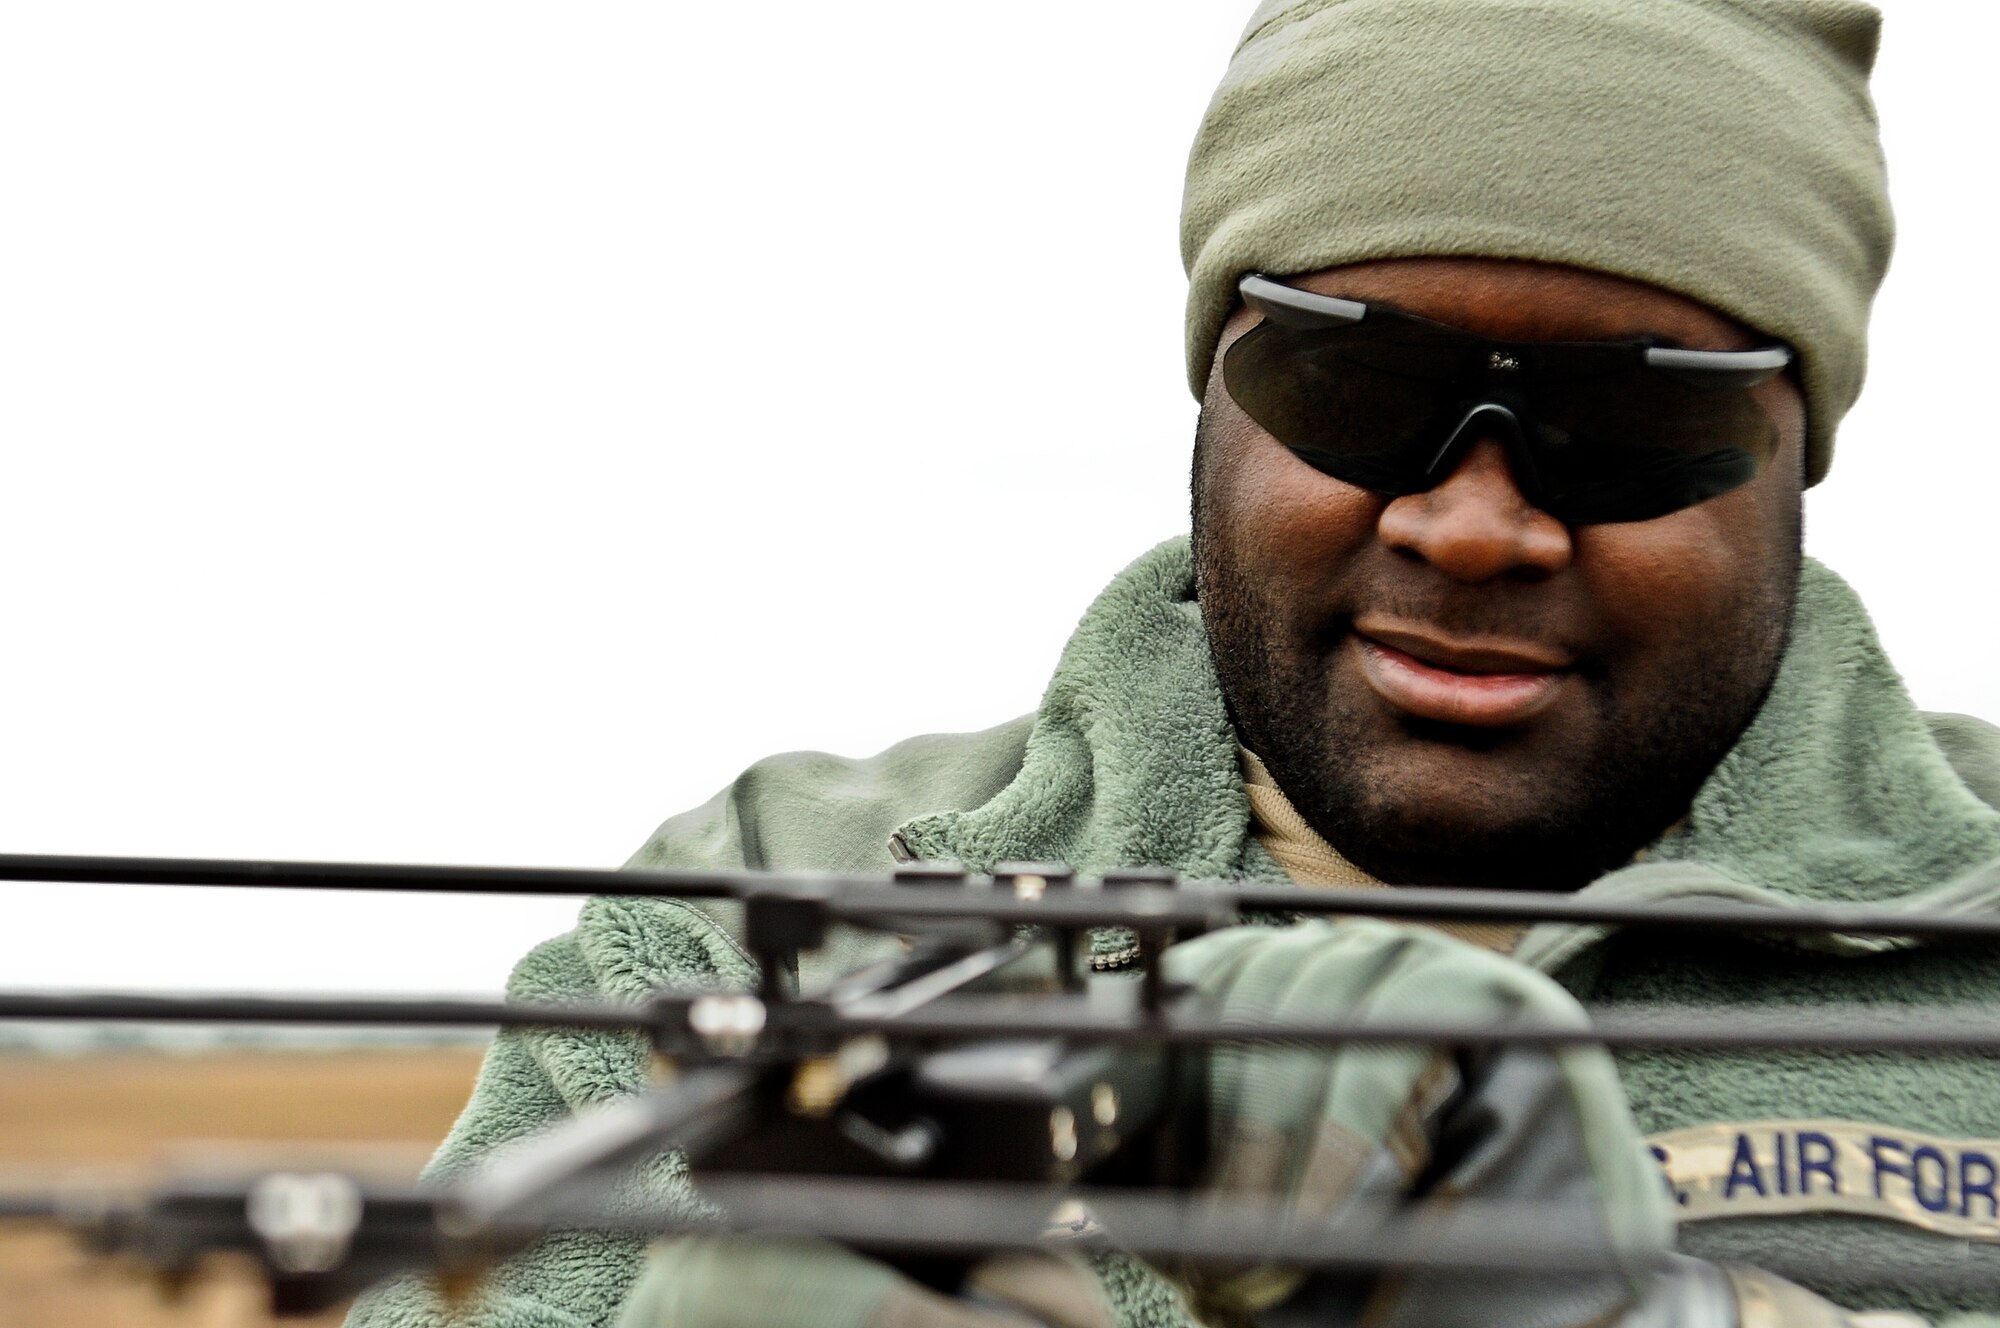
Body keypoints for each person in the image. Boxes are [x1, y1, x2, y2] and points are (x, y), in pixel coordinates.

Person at [349, 0, 2000, 1325]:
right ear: (1212, 391)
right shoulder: (761, 904)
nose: (1476, 524)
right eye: (1354, 387)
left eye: (1638, 420)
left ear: (1800, 450)